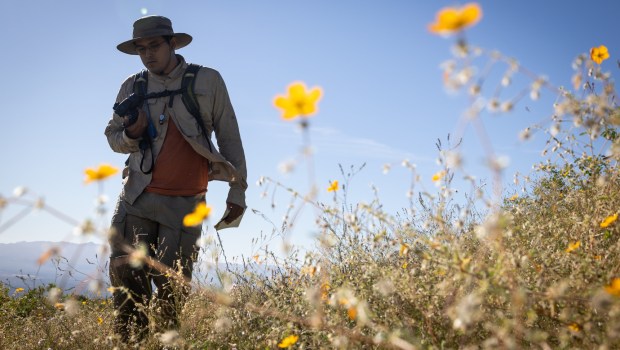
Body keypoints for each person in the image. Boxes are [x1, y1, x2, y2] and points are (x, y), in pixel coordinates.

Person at [105, 15, 247, 343]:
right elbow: (112, 137)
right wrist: (131, 133)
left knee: (172, 296)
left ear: (172, 43)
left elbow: (230, 138)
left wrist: (237, 192)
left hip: (186, 206)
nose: (147, 54)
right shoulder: (133, 85)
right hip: (136, 202)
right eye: (140, 48)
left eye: (154, 46)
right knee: (128, 293)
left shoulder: (207, 81)